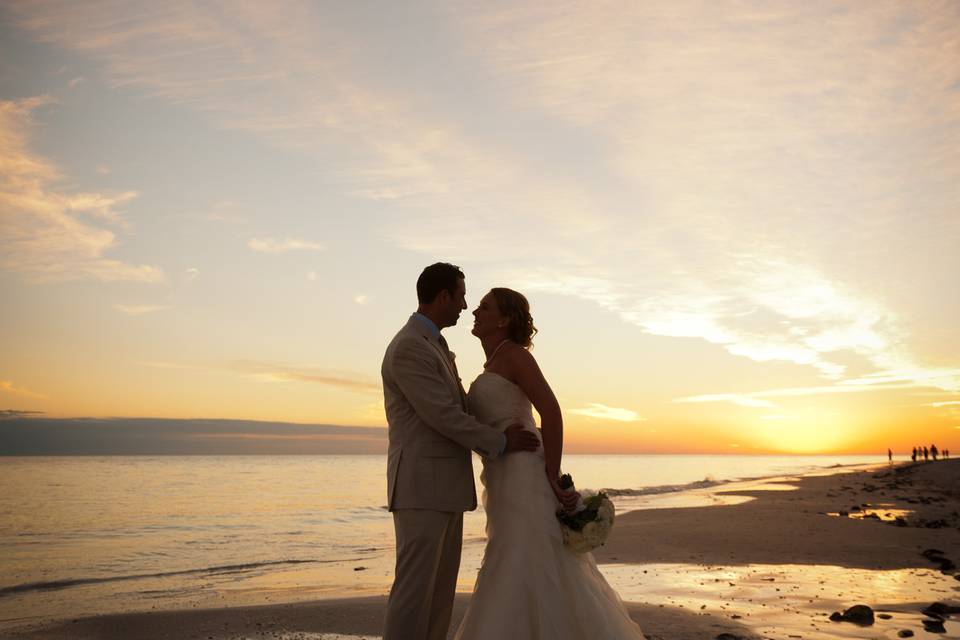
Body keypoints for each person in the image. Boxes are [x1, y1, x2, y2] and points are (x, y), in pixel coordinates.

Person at [454, 287, 645, 639]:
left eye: (484, 307)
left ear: (504, 318)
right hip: (499, 477)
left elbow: (552, 411)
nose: (475, 312)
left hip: (525, 474)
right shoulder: (492, 362)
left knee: (527, 556)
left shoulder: (515, 357)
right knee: (510, 554)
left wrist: (552, 473)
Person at [381, 263, 542, 640]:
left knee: (438, 596)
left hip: (445, 489)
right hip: (421, 489)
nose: (465, 306)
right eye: (462, 296)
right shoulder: (408, 347)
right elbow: (444, 416)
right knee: (413, 593)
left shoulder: (435, 345)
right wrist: (501, 442)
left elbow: (460, 410)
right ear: (443, 297)